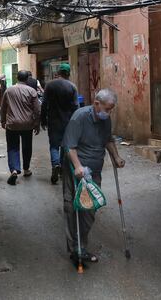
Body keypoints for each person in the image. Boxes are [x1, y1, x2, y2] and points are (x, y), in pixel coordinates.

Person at [63, 88, 125, 265]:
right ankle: (76, 250)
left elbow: (108, 140)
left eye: (111, 109)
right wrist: (77, 167)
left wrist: (116, 157)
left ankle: (80, 245)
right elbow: (69, 147)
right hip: (76, 169)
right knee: (72, 207)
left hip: (94, 171)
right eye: (107, 109)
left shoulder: (105, 120)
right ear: (96, 104)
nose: (109, 112)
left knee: (89, 209)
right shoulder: (79, 117)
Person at [0, 71, 41, 185]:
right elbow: (37, 110)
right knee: (27, 147)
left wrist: (3, 121)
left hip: (12, 124)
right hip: (27, 124)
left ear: (16, 78)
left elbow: (3, 107)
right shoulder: (31, 91)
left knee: (13, 147)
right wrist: (37, 124)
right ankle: (26, 169)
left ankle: (14, 170)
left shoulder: (9, 90)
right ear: (27, 79)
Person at [41, 63, 78, 185]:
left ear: (58, 72)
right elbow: (75, 107)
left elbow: (44, 103)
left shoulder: (50, 85)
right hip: (68, 121)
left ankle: (55, 163)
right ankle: (61, 168)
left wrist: (43, 120)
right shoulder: (72, 87)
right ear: (68, 73)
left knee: (54, 145)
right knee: (65, 145)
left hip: (53, 120)